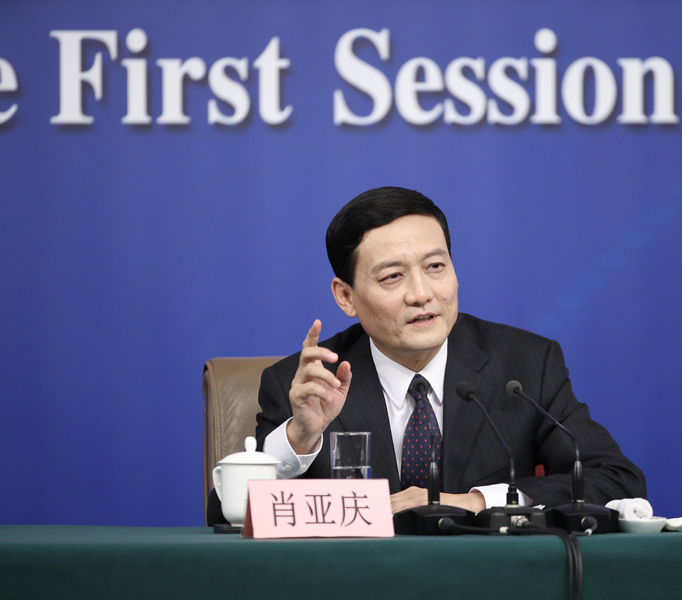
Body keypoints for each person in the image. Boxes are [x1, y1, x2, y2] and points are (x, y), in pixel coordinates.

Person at [252, 186, 645, 515]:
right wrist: (299, 439)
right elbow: (236, 510)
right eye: (393, 276)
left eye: (435, 267)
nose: (421, 294)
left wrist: (475, 502)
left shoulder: (525, 365)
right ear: (346, 296)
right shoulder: (304, 385)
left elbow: (616, 480)